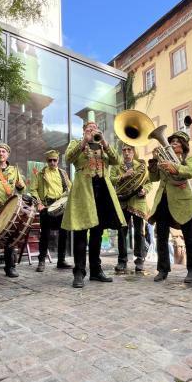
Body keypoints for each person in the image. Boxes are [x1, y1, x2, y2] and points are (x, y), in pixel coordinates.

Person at [61, 118, 126, 288]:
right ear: (83, 130)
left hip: (102, 192)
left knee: (97, 233)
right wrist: (85, 141)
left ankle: (96, 271)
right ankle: (79, 272)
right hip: (84, 191)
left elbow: (117, 160)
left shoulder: (103, 145)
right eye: (89, 128)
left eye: (95, 128)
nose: (92, 129)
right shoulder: (76, 143)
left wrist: (104, 142)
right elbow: (68, 158)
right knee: (81, 232)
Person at [148, 131, 192, 283]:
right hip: (163, 200)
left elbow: (190, 172)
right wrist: (153, 161)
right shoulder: (162, 157)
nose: (173, 144)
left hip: (182, 201)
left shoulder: (187, 158)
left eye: (177, 142)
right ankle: (162, 269)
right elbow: (153, 178)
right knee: (161, 236)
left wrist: (175, 167)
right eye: (171, 141)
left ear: (183, 146)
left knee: (189, 236)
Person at [0, 143, 26, 280]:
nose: (1, 154)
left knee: (10, 238)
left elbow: (21, 188)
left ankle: (10, 267)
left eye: (3, 152)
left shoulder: (14, 170)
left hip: (9, 207)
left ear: (8, 155)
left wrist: (20, 189)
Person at [110, 144, 152, 272]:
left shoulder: (141, 166)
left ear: (134, 151)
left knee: (139, 232)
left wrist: (145, 190)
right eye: (124, 150)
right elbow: (111, 180)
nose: (127, 152)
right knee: (122, 232)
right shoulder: (116, 166)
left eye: (129, 150)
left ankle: (140, 260)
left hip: (138, 202)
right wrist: (124, 176)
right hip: (122, 201)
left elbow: (149, 182)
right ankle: (122, 261)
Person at [30, 150, 72, 271]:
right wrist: (39, 203)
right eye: (50, 160)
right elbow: (33, 189)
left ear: (58, 160)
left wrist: (68, 197)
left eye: (55, 160)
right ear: (47, 161)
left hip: (61, 207)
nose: (52, 162)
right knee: (45, 235)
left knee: (63, 234)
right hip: (47, 206)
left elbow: (70, 187)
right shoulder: (40, 173)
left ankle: (61, 260)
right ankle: (41, 261)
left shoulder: (63, 173)